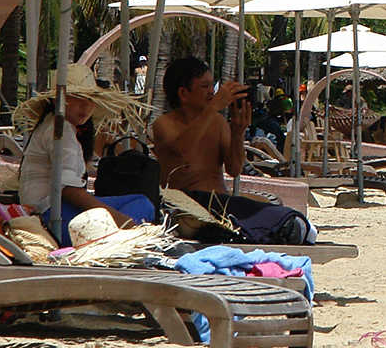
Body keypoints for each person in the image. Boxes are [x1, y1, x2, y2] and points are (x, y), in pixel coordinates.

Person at [150, 57, 312, 245]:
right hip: (186, 205)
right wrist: (213, 109)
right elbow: (184, 152)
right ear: (183, 93)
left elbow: (234, 169)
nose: (212, 92)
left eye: (212, 86)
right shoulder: (164, 124)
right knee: (276, 221)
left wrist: (237, 132)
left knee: (283, 217)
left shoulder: (217, 123)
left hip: (221, 203)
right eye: (204, 87)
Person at [17, 64, 154, 246]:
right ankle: (118, 238)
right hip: (51, 217)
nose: (86, 106)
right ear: (60, 99)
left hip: (47, 212)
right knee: (142, 205)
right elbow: (68, 189)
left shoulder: (56, 126)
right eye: (78, 98)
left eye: (90, 99)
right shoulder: (60, 129)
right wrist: (119, 219)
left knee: (139, 202)